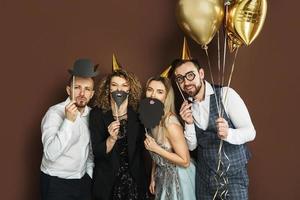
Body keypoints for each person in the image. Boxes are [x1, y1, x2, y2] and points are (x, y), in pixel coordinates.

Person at [172, 57, 256, 200]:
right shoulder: (187, 108)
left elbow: (250, 132)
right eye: (180, 79)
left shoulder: (225, 94)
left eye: (190, 75)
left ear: (201, 74)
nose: (186, 82)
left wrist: (229, 133)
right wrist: (189, 123)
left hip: (233, 177)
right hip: (205, 178)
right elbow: (192, 147)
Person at [40, 58, 99, 200]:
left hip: (82, 182)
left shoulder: (92, 115)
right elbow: (50, 153)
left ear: (92, 94)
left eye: (87, 89)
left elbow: (91, 150)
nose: (82, 93)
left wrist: (88, 175)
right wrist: (68, 121)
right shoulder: (54, 113)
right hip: (56, 182)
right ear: (68, 90)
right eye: (77, 87)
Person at [89, 66, 149, 200]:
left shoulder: (138, 113)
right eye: (114, 85)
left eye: (124, 85)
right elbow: (97, 153)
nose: (119, 89)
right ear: (108, 88)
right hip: (108, 182)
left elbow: (142, 149)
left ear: (129, 89)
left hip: (134, 180)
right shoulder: (97, 114)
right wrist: (111, 139)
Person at [144, 75, 196, 200]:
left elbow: (185, 161)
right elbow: (155, 153)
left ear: (166, 96)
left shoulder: (170, 123)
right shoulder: (152, 118)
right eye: (150, 90)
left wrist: (157, 149)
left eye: (159, 92)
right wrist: (153, 177)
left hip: (180, 177)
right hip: (162, 175)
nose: (153, 95)